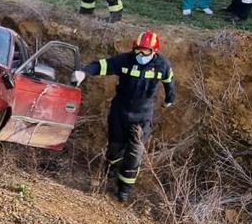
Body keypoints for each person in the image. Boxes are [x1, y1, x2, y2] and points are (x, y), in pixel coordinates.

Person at [71, 31, 175, 202]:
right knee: (115, 148)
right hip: (120, 111)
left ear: (154, 51)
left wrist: (170, 99)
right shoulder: (126, 60)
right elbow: (102, 65)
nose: (140, 55)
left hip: (142, 115)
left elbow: (169, 81)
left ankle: (124, 190)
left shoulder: (162, 64)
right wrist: (84, 73)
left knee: (135, 153)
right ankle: (110, 173)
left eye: (145, 51)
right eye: (138, 50)